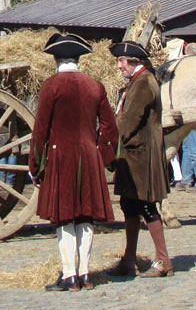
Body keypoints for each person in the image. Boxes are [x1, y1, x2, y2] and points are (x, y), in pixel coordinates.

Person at [29, 33, 117, 291]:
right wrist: (102, 155)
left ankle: (69, 275)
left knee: (65, 215)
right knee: (85, 215)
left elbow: (40, 129)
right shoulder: (95, 85)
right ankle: (85, 273)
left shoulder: (52, 85)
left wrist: (36, 166)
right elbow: (110, 127)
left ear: (56, 59)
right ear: (78, 59)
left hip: (61, 156)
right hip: (89, 156)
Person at [107, 40, 173, 278]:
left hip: (141, 155)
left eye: (121, 61)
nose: (118, 66)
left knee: (146, 206)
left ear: (135, 61)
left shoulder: (144, 83)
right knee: (130, 205)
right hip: (133, 154)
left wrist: (107, 144)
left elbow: (129, 120)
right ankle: (129, 259)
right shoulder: (137, 82)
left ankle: (163, 260)